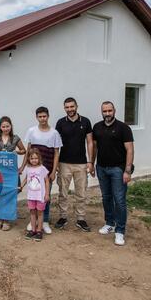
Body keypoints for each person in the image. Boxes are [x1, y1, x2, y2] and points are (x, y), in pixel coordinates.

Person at [92, 101, 134, 246]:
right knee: (106, 197)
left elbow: (129, 149)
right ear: (101, 112)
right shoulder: (97, 127)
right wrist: (91, 164)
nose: (107, 113)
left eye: (110, 110)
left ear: (114, 110)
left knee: (120, 200)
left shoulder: (123, 128)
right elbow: (95, 148)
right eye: (105, 111)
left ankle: (120, 231)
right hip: (102, 168)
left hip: (118, 169)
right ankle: (109, 223)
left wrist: (127, 170)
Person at [54, 97, 95, 232]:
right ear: (64, 108)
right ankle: (63, 217)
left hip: (81, 164)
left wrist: (90, 161)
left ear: (77, 106)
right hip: (64, 163)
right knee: (63, 192)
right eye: (67, 107)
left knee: (81, 192)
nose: (70, 109)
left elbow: (90, 142)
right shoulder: (60, 123)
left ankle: (81, 219)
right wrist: (56, 164)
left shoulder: (85, 121)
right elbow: (56, 145)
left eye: (72, 107)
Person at [22, 106, 62, 235]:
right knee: (33, 195)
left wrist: (54, 170)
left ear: (48, 116)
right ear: (36, 117)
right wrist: (23, 167)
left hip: (47, 170)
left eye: (44, 116)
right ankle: (33, 222)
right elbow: (28, 151)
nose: (42, 119)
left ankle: (44, 221)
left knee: (45, 196)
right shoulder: (31, 131)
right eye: (40, 117)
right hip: (33, 171)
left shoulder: (54, 133)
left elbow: (56, 153)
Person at [0, 116, 26, 231]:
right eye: (3, 126)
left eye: (7, 126)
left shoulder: (15, 138)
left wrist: (17, 151)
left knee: (9, 194)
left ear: (11, 126)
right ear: (0, 127)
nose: (5, 128)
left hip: (11, 171)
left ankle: (7, 220)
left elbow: (24, 150)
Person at [19, 148, 50, 242]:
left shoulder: (42, 168)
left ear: (39, 158)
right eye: (32, 158)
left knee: (40, 213)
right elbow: (26, 179)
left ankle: (39, 231)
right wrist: (21, 186)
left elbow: (47, 181)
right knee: (32, 212)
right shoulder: (28, 169)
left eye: (36, 158)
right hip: (31, 196)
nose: (34, 160)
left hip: (40, 196)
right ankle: (33, 230)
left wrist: (47, 194)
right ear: (29, 159)